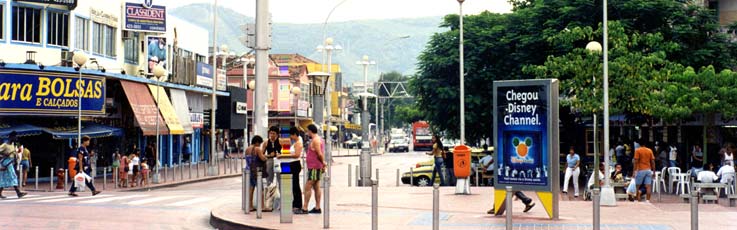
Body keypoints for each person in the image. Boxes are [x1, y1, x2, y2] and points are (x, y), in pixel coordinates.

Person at [299, 124, 326, 214]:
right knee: (316, 186)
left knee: (308, 186)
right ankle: (317, 207)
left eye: (307, 131)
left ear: (310, 131)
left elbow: (319, 153)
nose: (307, 133)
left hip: (315, 167)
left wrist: (323, 163)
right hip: (315, 166)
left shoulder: (316, 140)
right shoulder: (318, 139)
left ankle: (305, 207)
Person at [278, 127, 304, 214]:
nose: (290, 137)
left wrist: (283, 156)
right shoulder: (296, 142)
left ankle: (298, 204)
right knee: (292, 185)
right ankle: (294, 203)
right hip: (290, 164)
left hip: (294, 164)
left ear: (294, 134)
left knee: (295, 185)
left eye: (291, 135)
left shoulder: (298, 143)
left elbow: (296, 155)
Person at [246, 135, 267, 212]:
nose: (260, 144)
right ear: (257, 142)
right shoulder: (257, 148)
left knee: (251, 188)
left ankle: (250, 206)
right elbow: (263, 158)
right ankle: (262, 206)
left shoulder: (247, 149)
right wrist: (267, 156)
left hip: (249, 170)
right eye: (260, 143)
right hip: (256, 171)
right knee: (260, 188)